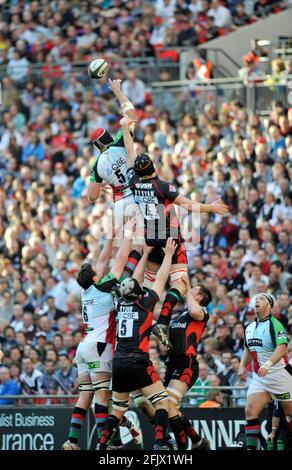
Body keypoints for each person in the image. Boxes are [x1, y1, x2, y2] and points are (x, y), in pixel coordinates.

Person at [121, 117, 229, 336]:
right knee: (180, 283)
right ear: (153, 166)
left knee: (152, 285)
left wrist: (126, 130)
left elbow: (130, 154)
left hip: (151, 238)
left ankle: (138, 318)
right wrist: (212, 207)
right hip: (170, 238)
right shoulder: (162, 187)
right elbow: (189, 206)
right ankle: (162, 321)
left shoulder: (133, 182)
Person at [62, 226, 140, 450]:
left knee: (84, 397)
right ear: (95, 276)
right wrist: (127, 235)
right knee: (102, 398)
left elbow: (103, 258)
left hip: (83, 347)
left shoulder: (85, 292)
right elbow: (119, 259)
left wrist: (110, 237)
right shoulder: (103, 287)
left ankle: (72, 441)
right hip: (99, 346)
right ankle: (104, 444)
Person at [99, 238, 177, 451]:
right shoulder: (145, 304)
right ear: (139, 293)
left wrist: (144, 253)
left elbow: (133, 280)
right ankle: (161, 442)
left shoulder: (119, 303)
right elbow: (160, 280)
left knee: (117, 410)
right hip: (138, 361)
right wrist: (168, 254)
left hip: (119, 363)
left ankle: (102, 444)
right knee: (162, 402)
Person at [87, 79, 143, 245]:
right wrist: (118, 92)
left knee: (120, 247)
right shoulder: (120, 140)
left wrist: (105, 182)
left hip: (121, 203)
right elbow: (132, 116)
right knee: (146, 245)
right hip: (140, 193)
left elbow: (92, 196)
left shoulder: (97, 165)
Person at [239, 293, 292, 450]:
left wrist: (268, 364)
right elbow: (248, 349)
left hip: (279, 375)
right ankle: (251, 448)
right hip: (260, 377)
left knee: (289, 414)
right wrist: (242, 366)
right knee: (250, 410)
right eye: (256, 299)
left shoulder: (275, 324)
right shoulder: (249, 327)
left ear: (269, 305)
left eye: (261, 298)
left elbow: (282, 347)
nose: (257, 300)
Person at [164, 276, 211, 450]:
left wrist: (189, 286)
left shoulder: (202, 311)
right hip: (171, 363)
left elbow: (194, 312)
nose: (189, 290)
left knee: (169, 403)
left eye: (194, 290)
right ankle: (198, 442)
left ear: (200, 296)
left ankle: (182, 449)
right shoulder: (177, 313)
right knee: (167, 406)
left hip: (187, 363)